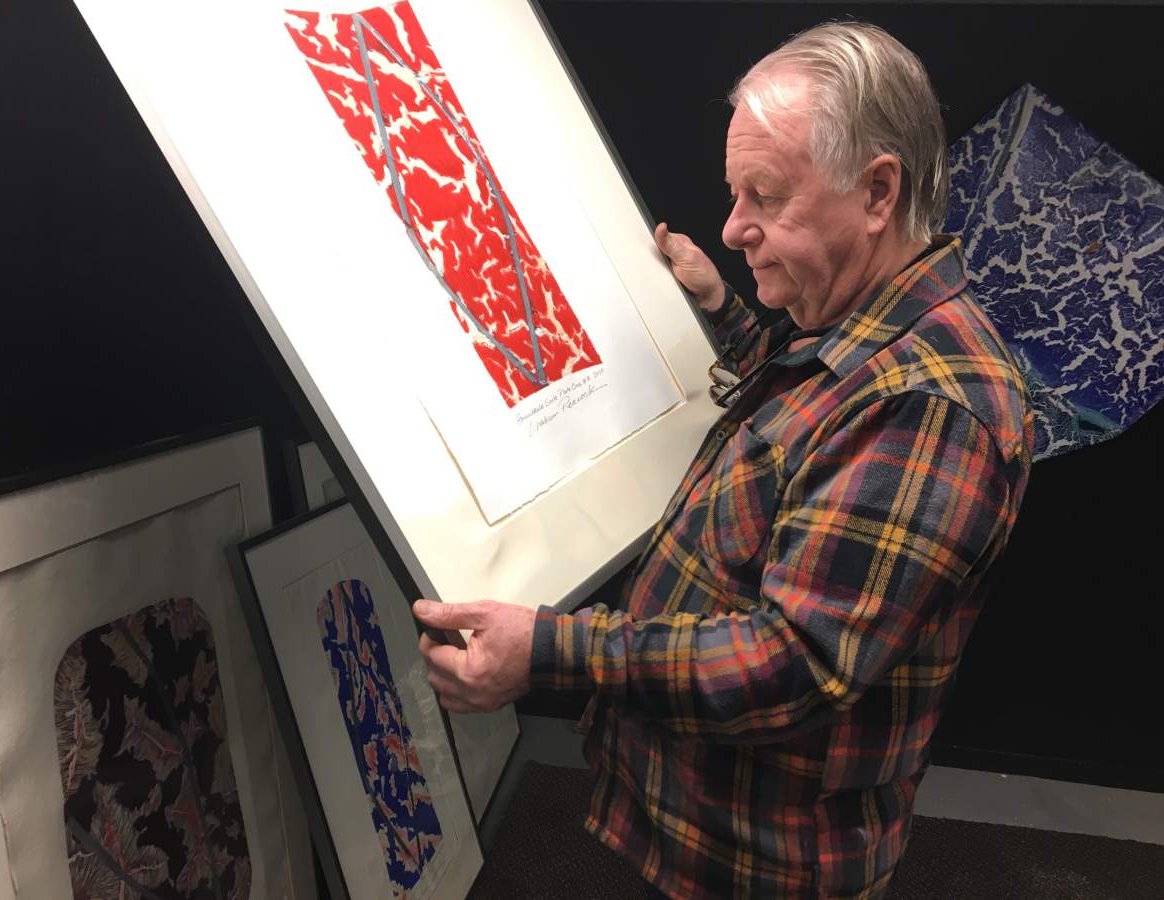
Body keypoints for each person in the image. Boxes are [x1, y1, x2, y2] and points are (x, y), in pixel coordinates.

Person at [414, 21, 1034, 899]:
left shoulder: (932, 410)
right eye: (733, 192)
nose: (734, 226)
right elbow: (805, 423)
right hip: (699, 812)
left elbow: (793, 658)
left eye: (766, 195)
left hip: (760, 861)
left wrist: (549, 651)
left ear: (876, 192)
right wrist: (723, 310)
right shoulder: (865, 336)